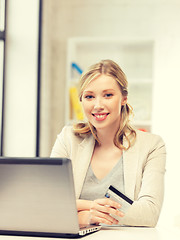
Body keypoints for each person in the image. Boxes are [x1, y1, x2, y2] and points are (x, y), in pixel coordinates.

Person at [50, 59, 166, 227]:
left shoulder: (152, 145)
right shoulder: (68, 139)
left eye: (108, 95)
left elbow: (149, 213)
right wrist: (88, 212)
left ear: (124, 98)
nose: (98, 105)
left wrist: (79, 209)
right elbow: (49, 201)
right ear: (82, 100)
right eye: (89, 96)